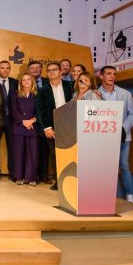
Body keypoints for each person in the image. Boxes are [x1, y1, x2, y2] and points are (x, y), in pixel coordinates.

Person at [99, 66, 133, 202]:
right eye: (108, 73)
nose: (112, 76)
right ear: (101, 76)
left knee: (124, 165)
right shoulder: (95, 94)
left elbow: (132, 115)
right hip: (103, 137)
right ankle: (106, 196)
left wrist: (122, 129)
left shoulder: (126, 94)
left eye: (114, 74)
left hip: (123, 137)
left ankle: (130, 197)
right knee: (105, 166)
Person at [36, 62, 73, 190]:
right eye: (49, 70)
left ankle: (71, 181)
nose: (51, 72)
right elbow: (40, 110)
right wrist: (46, 127)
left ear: (60, 72)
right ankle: (59, 181)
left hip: (69, 125)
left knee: (70, 154)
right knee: (55, 155)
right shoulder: (42, 90)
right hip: (52, 127)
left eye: (54, 69)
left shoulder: (70, 86)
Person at [11, 73, 39, 186]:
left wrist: (32, 120)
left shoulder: (37, 94)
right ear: (21, 82)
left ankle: (31, 177)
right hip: (19, 126)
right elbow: (13, 110)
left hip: (33, 127)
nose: (26, 82)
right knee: (19, 153)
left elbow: (40, 110)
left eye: (28, 79)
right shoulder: (15, 94)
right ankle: (19, 176)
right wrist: (23, 121)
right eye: (24, 80)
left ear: (32, 81)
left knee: (32, 153)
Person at [0, 60, 18, 180]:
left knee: (12, 147)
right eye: (2, 68)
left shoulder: (15, 82)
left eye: (7, 68)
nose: (5, 70)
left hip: (11, 120)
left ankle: (12, 172)